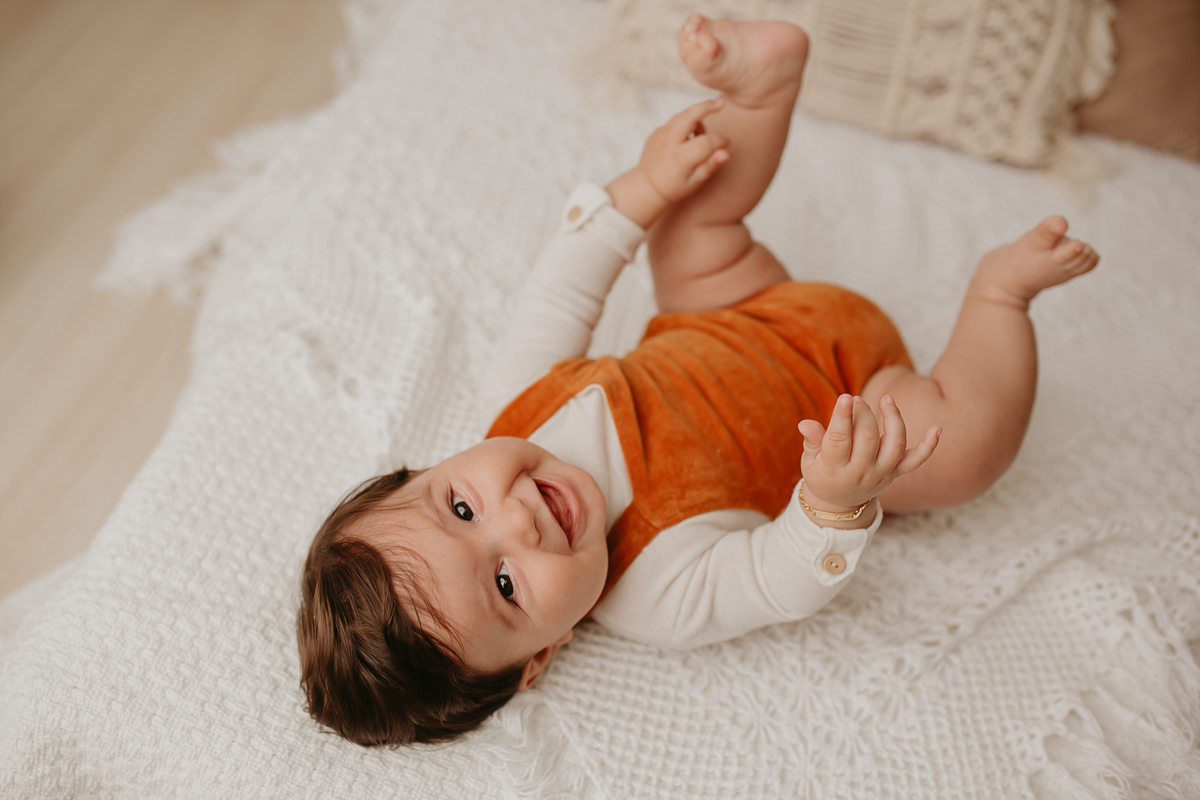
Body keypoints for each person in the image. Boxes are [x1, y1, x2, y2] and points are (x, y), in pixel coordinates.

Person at [296, 15, 1099, 746]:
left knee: (687, 227)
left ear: (428, 466)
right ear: (540, 655)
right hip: (859, 406)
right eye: (505, 584)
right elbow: (776, 580)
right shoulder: (656, 595)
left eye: (461, 506)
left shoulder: (520, 399)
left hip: (740, 301)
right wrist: (833, 500)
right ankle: (1001, 295)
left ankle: (761, 89)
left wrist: (642, 191)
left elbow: (564, 283)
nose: (518, 522)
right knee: (959, 454)